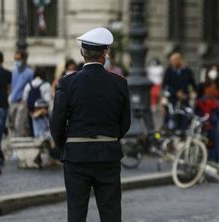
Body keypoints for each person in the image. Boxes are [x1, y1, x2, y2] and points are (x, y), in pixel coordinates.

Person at [51, 27, 130, 222]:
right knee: (111, 212)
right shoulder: (119, 83)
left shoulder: (67, 83)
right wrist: (109, 138)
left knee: (76, 213)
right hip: (108, 153)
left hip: (76, 155)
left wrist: (66, 146)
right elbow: (125, 123)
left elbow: (56, 124)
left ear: (81, 53)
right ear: (105, 54)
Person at [196, 65, 219, 163]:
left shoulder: (218, 84)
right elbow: (198, 97)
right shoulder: (203, 85)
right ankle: (206, 158)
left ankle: (214, 159)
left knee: (214, 137)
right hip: (204, 112)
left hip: (214, 113)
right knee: (206, 137)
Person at [8, 50, 34, 137]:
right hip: (12, 100)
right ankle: (13, 142)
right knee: (11, 123)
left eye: (18, 59)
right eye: (15, 59)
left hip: (22, 101)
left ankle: (19, 143)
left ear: (23, 59)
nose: (16, 61)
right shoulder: (14, 71)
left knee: (19, 124)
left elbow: (31, 87)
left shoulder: (29, 72)